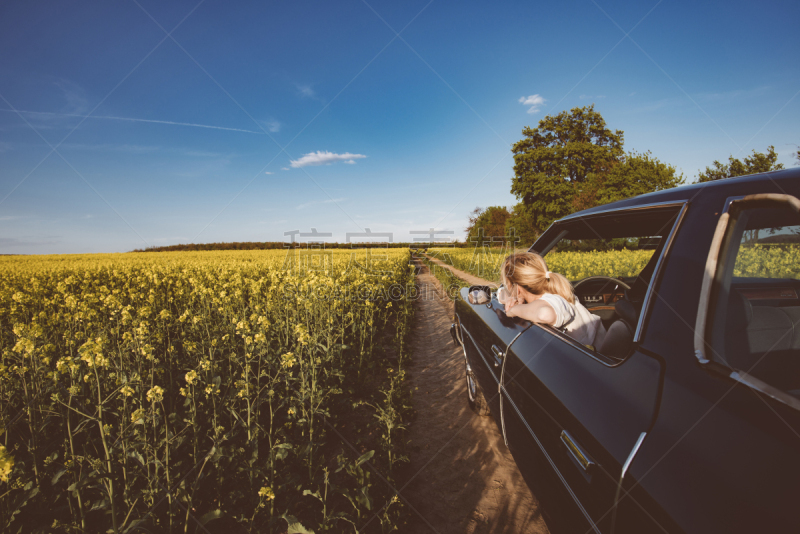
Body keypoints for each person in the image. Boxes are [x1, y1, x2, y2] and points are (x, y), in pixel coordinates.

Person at [497, 251, 606, 349]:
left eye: (508, 285)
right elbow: (501, 292)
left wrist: (513, 310)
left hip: (599, 356)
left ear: (517, 289)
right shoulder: (551, 291)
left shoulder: (555, 300)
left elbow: (544, 314)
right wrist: (508, 297)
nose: (507, 289)